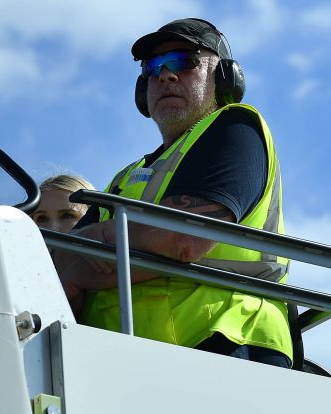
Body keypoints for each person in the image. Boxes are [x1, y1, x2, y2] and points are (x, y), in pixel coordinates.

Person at [52, 18, 291, 367]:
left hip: (224, 341)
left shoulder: (235, 127)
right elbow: (59, 261)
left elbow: (183, 239)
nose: (165, 75)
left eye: (184, 61)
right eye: (153, 67)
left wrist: (97, 246)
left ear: (225, 78)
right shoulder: (123, 179)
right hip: (119, 360)